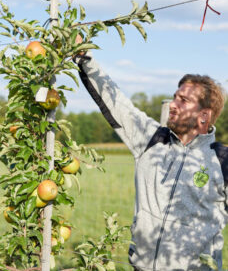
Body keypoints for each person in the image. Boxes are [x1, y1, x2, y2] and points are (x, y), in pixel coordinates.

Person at [74, 52, 228, 271]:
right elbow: (116, 101)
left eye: (183, 101)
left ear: (204, 115)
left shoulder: (222, 162)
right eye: (175, 97)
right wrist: (83, 57)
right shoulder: (152, 139)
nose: (172, 105)